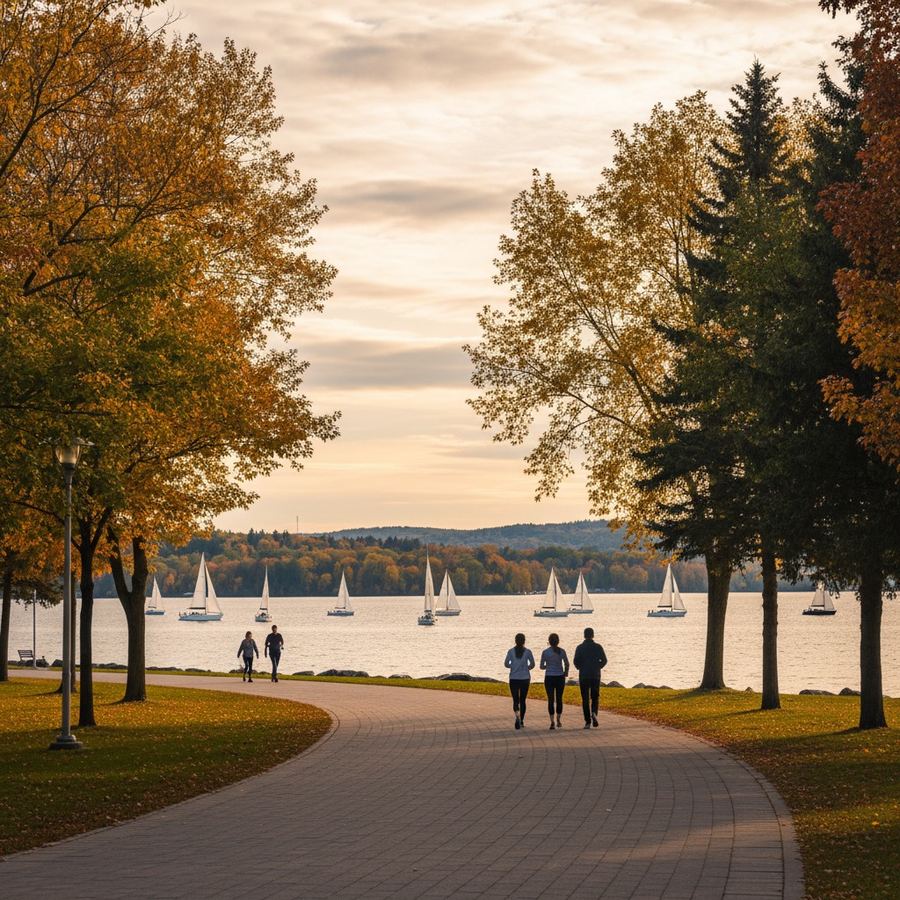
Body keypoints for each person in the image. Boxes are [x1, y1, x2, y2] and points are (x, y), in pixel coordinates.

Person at [573, 626, 608, 729]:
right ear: (593, 635)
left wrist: (580, 668)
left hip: (584, 675)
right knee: (595, 697)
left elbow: (575, 661)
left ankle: (587, 721)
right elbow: (604, 660)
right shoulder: (598, 647)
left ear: (584, 636)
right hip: (595, 675)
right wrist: (598, 667)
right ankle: (594, 713)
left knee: (585, 699)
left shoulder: (579, 647)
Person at [504, 633, 535, 730]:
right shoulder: (528, 652)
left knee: (515, 700)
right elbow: (533, 664)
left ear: (515, 641)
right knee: (523, 700)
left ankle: (517, 715)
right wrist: (527, 668)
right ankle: (521, 721)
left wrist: (512, 666)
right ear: (524, 641)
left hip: (514, 678)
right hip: (525, 678)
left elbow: (506, 664)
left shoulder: (510, 651)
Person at [540, 633, 569, 730]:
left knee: (551, 700)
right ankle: (559, 720)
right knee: (559, 699)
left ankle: (552, 721)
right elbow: (567, 663)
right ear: (558, 641)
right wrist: (565, 672)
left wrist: (547, 666)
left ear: (549, 641)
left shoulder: (545, 652)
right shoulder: (562, 651)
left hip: (549, 677)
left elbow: (541, 666)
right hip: (560, 677)